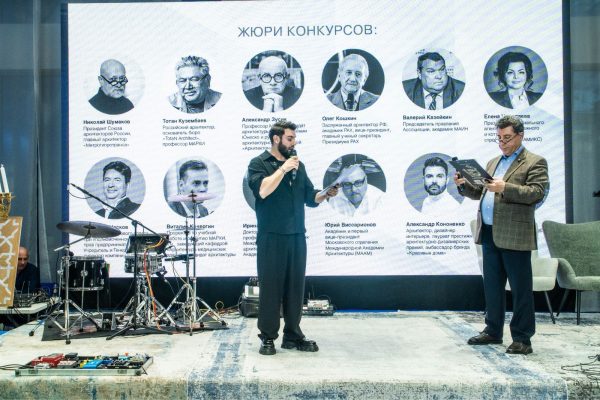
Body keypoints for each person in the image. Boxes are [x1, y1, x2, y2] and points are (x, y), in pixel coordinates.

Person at [454, 115, 548, 355]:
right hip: (489, 232)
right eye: (499, 138)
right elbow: (480, 192)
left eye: (507, 138)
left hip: (514, 233)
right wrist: (463, 185)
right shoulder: (493, 162)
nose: (502, 143)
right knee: (493, 287)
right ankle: (493, 331)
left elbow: (536, 193)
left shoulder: (535, 162)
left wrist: (505, 187)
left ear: (520, 135)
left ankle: (522, 338)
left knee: (520, 289)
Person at [247, 120, 338, 355]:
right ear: (276, 139)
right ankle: (268, 337)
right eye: (290, 138)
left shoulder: (299, 165)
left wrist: (325, 194)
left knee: (295, 288)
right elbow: (262, 191)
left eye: (294, 138)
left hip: (297, 235)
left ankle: (292, 336)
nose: (293, 143)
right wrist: (283, 169)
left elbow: (309, 197)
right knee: (271, 288)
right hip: (271, 236)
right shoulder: (259, 163)